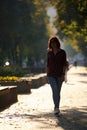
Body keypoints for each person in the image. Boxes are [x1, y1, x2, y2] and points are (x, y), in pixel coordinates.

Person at [46, 36, 68, 116]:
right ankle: (56, 108)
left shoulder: (62, 52)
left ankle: (57, 107)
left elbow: (64, 64)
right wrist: (46, 76)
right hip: (51, 75)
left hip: (59, 75)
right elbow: (48, 65)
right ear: (50, 44)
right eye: (51, 42)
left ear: (57, 43)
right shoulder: (49, 53)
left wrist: (63, 75)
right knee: (55, 90)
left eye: (54, 42)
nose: (53, 43)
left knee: (58, 92)